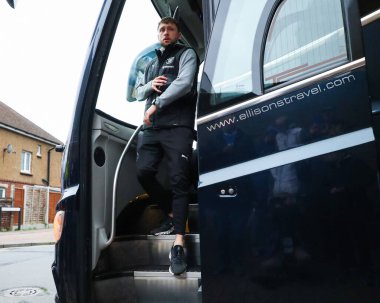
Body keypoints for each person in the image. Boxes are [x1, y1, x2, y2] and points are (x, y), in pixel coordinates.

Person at [134, 16, 199, 275]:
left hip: (177, 127)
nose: (166, 32)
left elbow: (185, 84)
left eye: (170, 29)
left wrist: (157, 104)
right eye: (162, 29)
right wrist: (151, 85)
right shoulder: (150, 64)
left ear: (178, 33)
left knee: (178, 179)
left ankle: (179, 242)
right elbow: (137, 92)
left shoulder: (187, 54)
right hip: (151, 128)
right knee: (143, 172)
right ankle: (172, 212)